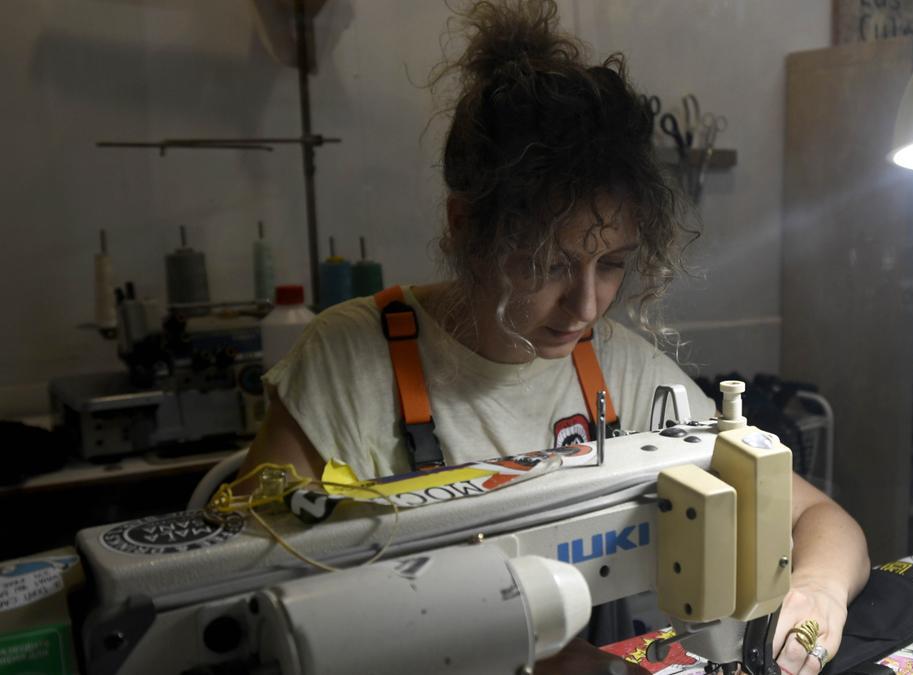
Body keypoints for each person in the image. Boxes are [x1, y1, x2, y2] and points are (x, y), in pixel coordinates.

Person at [238, 1, 869, 673]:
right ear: (463, 227)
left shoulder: (617, 370)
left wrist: (816, 589)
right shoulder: (349, 360)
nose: (587, 304)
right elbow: (252, 586)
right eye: (548, 264)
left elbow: (824, 521)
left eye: (613, 263)